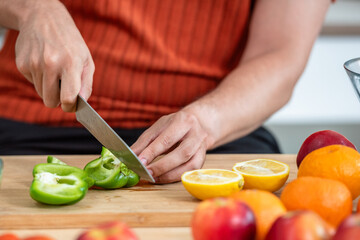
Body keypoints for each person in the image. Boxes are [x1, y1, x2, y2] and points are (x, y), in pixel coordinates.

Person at [0, 0, 332, 183]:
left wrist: (206, 122)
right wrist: (34, 8)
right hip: (30, 118)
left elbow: (280, 55)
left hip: (212, 136)